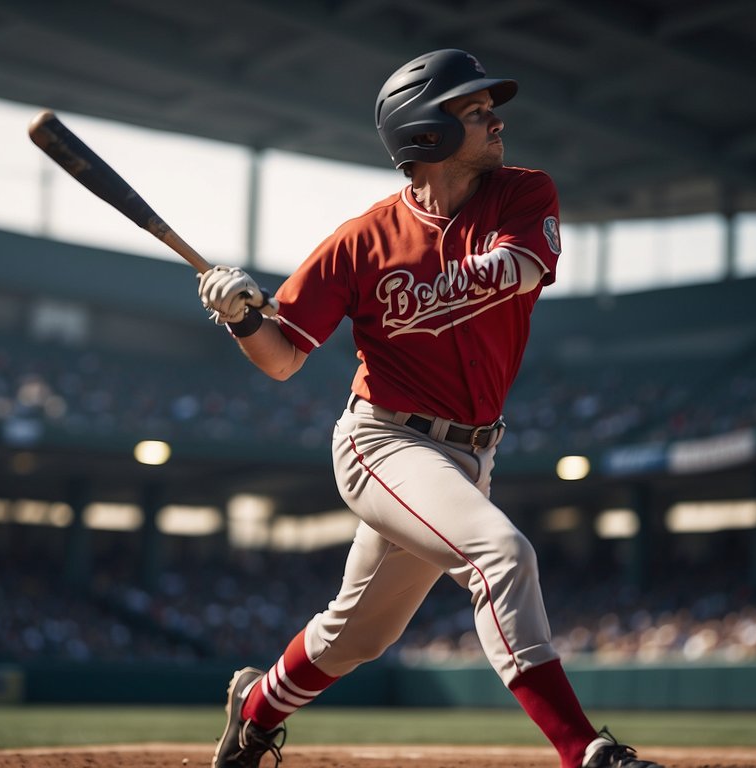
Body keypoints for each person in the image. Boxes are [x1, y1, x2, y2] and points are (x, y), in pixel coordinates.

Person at [196, 48, 664, 768]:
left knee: (356, 637)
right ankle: (585, 753)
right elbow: (283, 357)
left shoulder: (522, 192)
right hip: (382, 443)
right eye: (474, 111)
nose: (494, 118)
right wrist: (242, 318)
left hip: (470, 454)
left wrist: (433, 286)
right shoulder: (361, 241)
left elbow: (522, 267)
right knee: (502, 554)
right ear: (425, 133)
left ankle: (253, 713)